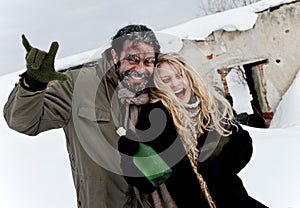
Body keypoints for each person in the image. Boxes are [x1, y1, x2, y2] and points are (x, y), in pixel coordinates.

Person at [3, 24, 161, 208]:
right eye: (132, 58)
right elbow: (23, 122)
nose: (141, 69)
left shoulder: (160, 90)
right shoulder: (78, 85)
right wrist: (32, 84)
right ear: (115, 55)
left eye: (149, 60)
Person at [118, 53, 268, 208]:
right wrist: (129, 159)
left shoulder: (211, 109)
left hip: (235, 201)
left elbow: (243, 143)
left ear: (189, 77)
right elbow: (147, 184)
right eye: (166, 80)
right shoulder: (154, 122)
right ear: (158, 87)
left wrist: (221, 166)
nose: (176, 84)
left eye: (179, 75)